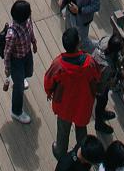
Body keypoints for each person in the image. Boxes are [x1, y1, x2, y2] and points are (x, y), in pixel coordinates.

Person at [43, 25, 102, 161]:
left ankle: (60, 152)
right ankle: (82, 153)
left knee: (63, 130)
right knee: (81, 129)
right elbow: (97, 77)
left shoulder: (58, 64)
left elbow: (48, 81)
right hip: (83, 104)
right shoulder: (89, 63)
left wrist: (49, 92)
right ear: (78, 43)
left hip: (64, 105)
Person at [2, 0, 37, 123]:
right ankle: (16, 111)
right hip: (16, 61)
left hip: (26, 54)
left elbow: (31, 31)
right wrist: (7, 67)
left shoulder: (27, 21)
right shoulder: (12, 33)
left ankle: (19, 79)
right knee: (19, 87)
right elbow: (7, 52)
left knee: (29, 72)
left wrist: (34, 42)